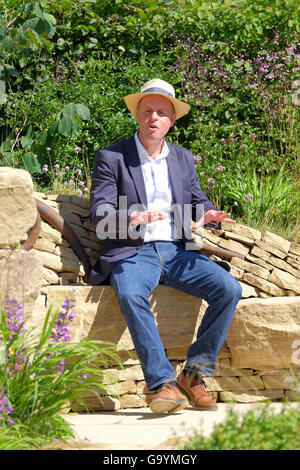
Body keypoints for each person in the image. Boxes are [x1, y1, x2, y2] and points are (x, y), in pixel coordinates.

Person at [89, 79, 242, 414]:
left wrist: (208, 213)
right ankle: (162, 384)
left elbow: (196, 200)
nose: (153, 118)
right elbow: (98, 215)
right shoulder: (112, 157)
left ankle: (194, 374)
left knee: (229, 289)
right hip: (132, 251)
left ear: (172, 120)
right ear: (137, 115)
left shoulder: (183, 158)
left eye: (161, 112)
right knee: (129, 293)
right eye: (148, 111)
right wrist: (133, 216)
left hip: (177, 251)